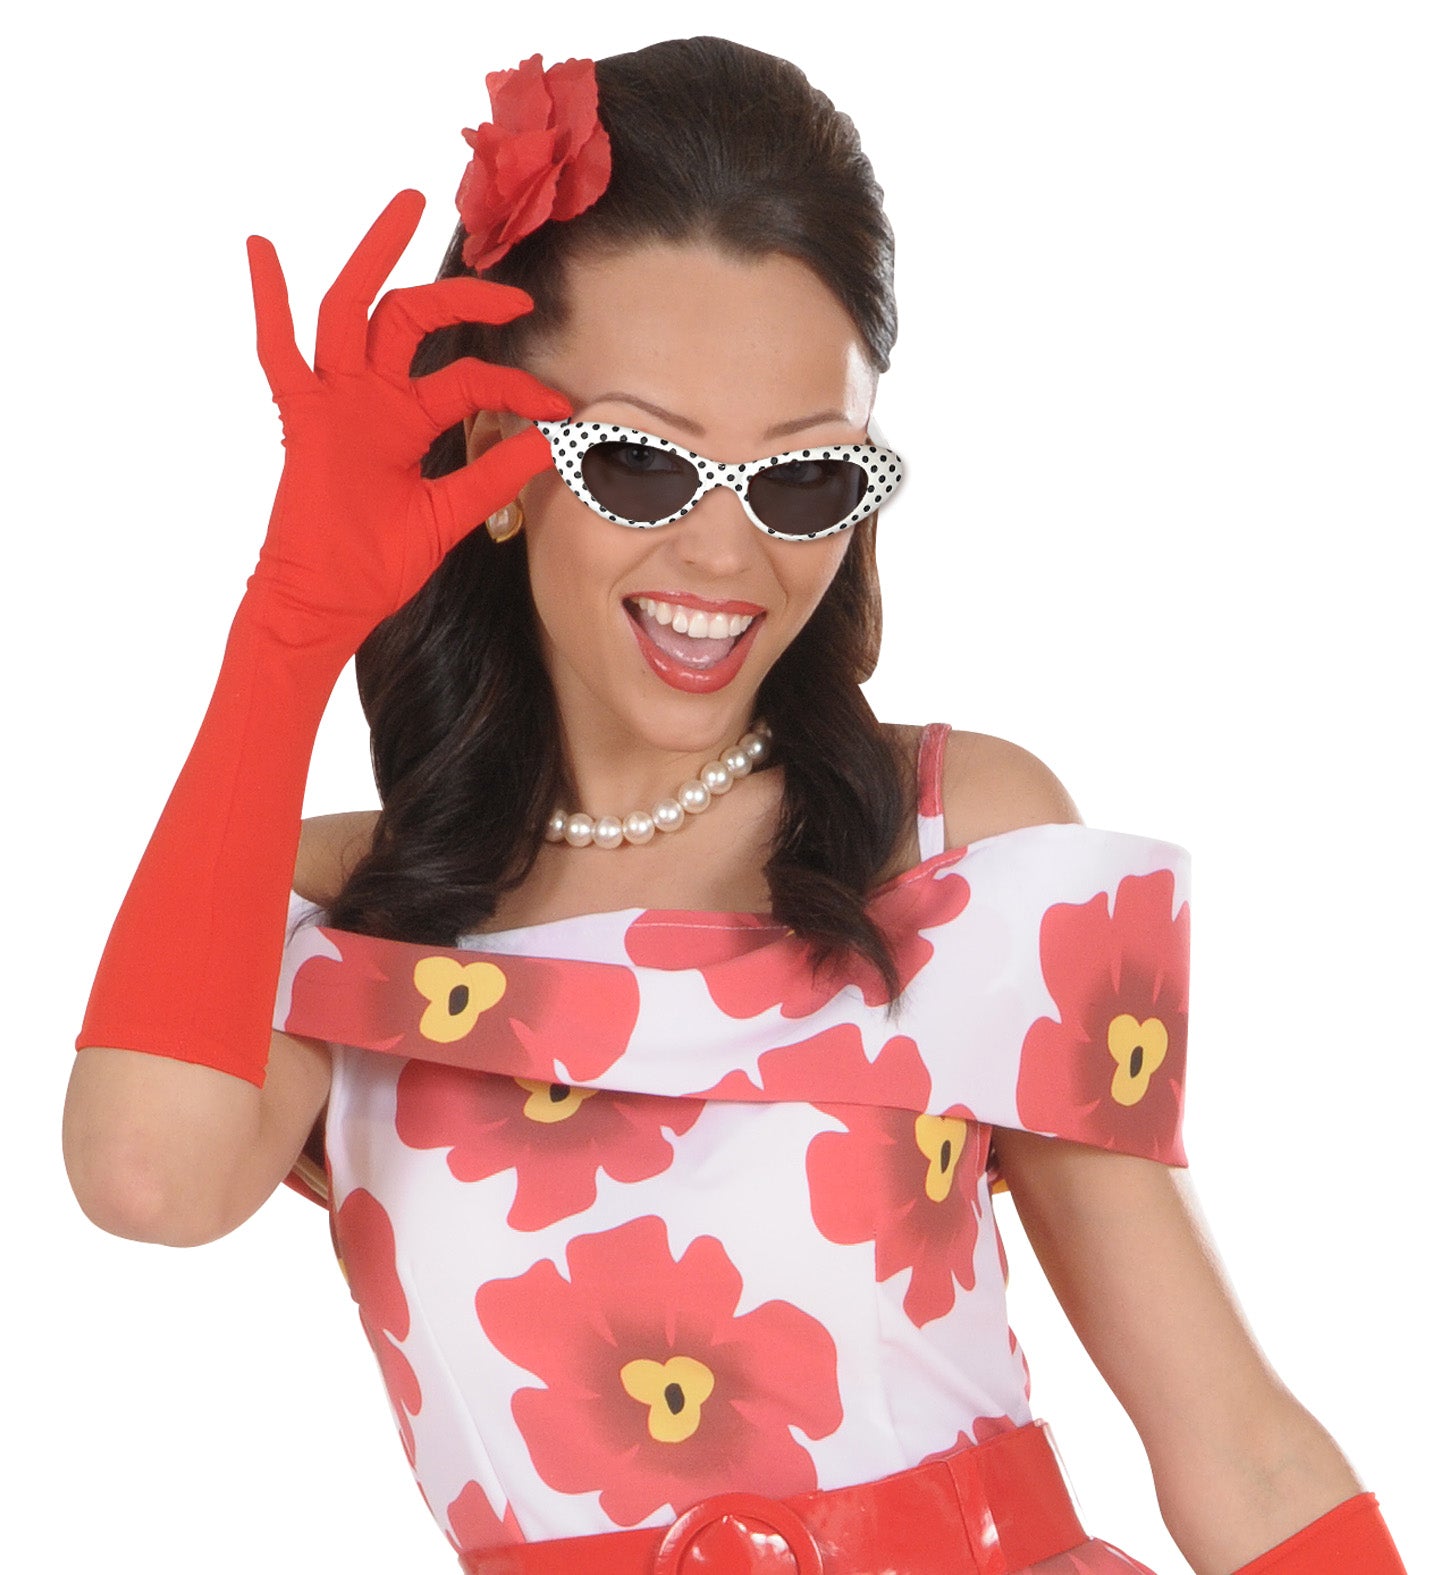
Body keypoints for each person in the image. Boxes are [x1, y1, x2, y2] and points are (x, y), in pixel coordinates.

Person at [62, 36, 1407, 1575]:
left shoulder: (957, 840)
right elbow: (147, 1179)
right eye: (639, 467)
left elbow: (1232, 1443)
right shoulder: (328, 917)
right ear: (498, 456)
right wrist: (289, 630)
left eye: (802, 481)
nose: (723, 555)